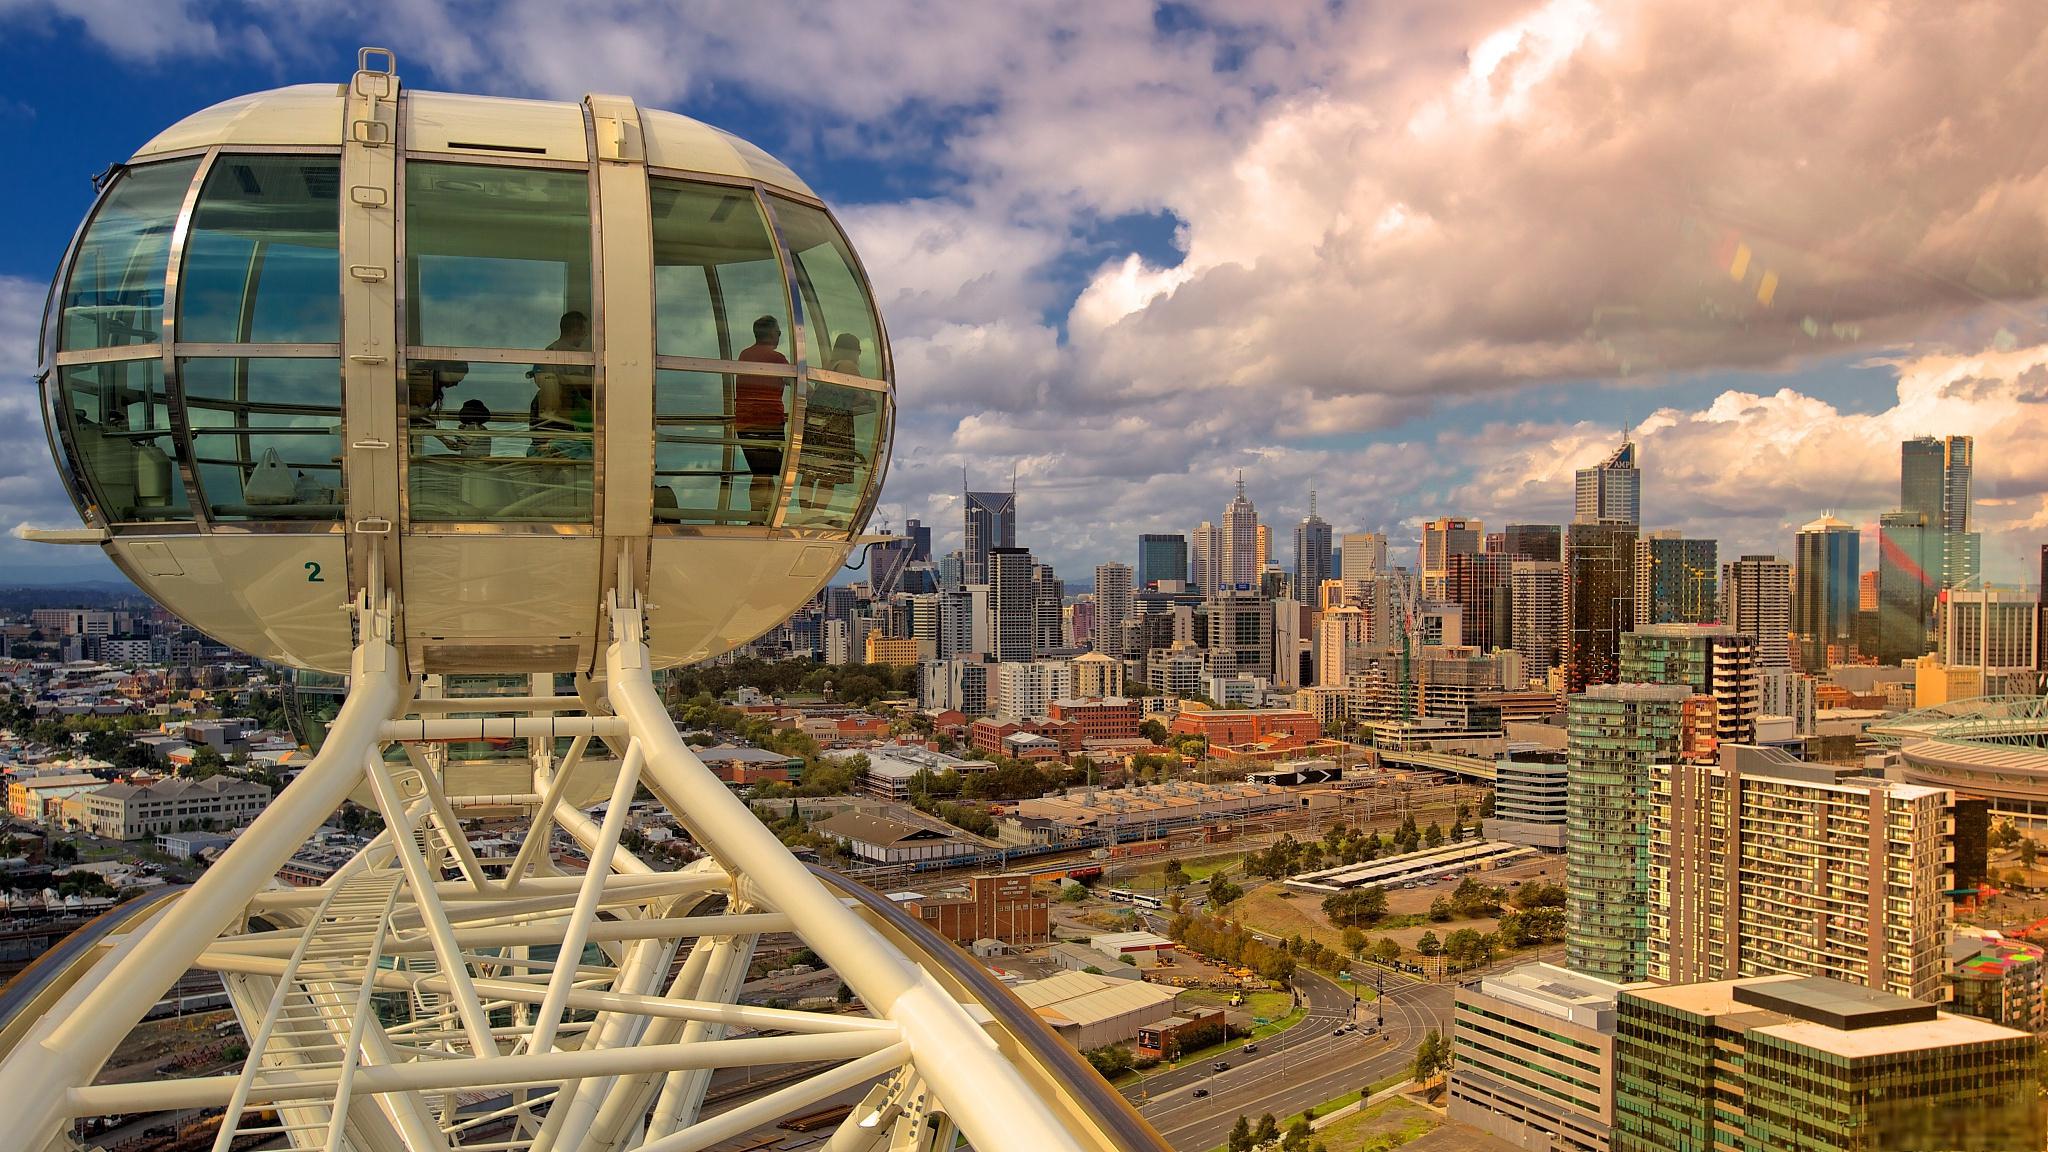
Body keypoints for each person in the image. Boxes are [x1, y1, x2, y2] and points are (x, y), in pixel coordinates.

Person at [799, 333, 877, 515]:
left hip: (815, 425)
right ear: (853, 351)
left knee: (810, 473)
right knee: (829, 475)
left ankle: (805, 514)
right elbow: (860, 395)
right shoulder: (848, 366)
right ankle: (817, 514)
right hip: (835, 427)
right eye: (858, 352)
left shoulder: (829, 366)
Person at [734, 314, 789, 519]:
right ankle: (762, 515)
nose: (780, 334)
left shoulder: (744, 354)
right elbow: (796, 384)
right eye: (777, 330)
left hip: (745, 422)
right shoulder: (776, 358)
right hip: (769, 422)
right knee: (766, 472)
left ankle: (761, 513)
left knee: (762, 472)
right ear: (769, 333)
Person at [532, 311, 593, 459]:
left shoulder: (549, 352)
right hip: (562, 422)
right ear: (576, 330)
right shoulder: (575, 356)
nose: (586, 335)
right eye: (585, 331)